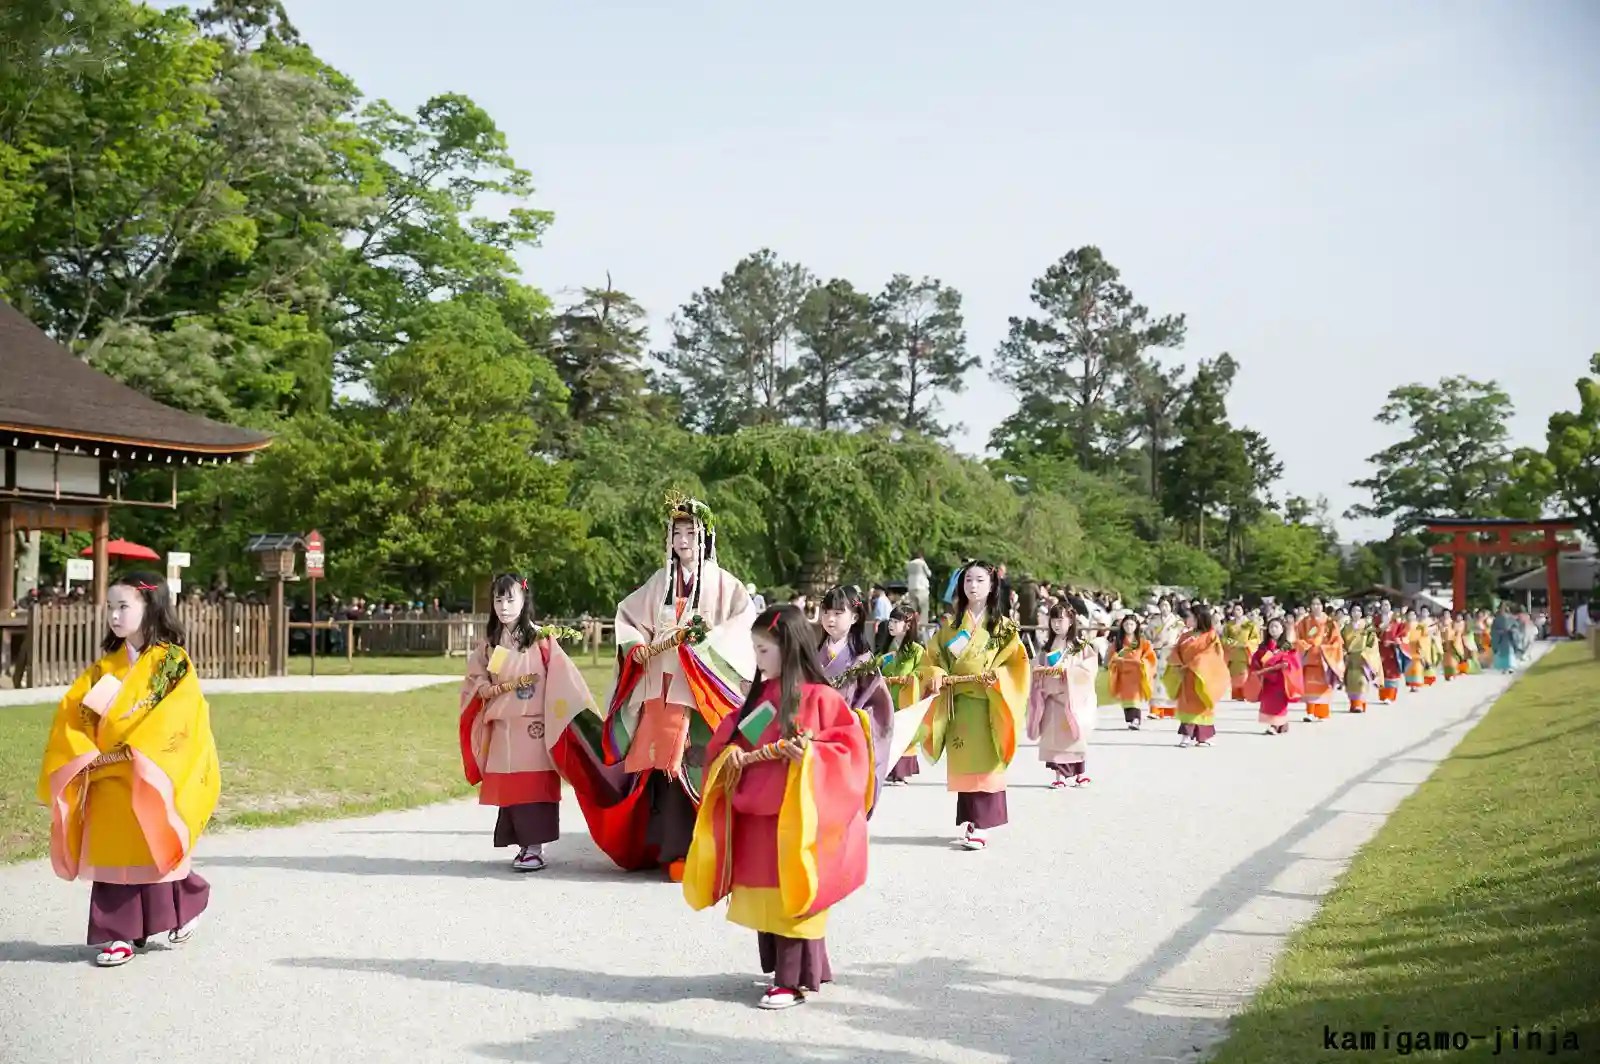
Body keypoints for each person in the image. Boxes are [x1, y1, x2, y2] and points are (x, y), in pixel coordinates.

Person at [683, 604, 871, 1010]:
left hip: (796, 817)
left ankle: (791, 981)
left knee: (794, 893)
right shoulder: (762, 700)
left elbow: (848, 748)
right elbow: (738, 740)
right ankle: (807, 968)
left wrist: (813, 756)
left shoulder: (821, 699)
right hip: (757, 817)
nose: (757, 659)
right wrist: (731, 752)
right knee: (767, 897)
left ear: (789, 648)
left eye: (764, 650)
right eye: (755, 649)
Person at [36, 571, 219, 967]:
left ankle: (186, 904)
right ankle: (117, 935)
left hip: (147, 769)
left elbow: (179, 717)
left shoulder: (172, 663)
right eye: (110, 607)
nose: (114, 616)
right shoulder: (105, 669)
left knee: (153, 843)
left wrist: (135, 753)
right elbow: (74, 716)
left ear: (150, 609)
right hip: (105, 773)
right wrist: (84, 753)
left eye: (124, 606)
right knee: (112, 852)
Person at [601, 493, 757, 882]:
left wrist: (705, 646)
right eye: (677, 533)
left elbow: (743, 623)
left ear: (705, 537)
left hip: (703, 691)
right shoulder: (659, 582)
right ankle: (671, 849)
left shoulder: (725, 585)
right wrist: (637, 645)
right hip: (662, 689)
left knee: (700, 764)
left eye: (690, 532)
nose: (683, 540)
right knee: (662, 771)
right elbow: (628, 615)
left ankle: (711, 851)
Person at [458, 573, 595, 872]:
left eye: (510, 599)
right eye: (498, 599)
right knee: (512, 788)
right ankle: (522, 845)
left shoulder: (541, 639)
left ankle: (535, 847)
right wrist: (483, 687)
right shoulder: (491, 644)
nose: (504, 606)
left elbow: (564, 677)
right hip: (505, 725)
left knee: (534, 784)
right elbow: (478, 675)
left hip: (535, 726)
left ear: (523, 600)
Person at [919, 560, 1031, 851]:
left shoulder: (1004, 628)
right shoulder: (950, 626)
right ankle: (971, 819)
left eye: (980, 580)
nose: (973, 586)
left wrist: (998, 677)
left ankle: (982, 825)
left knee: (986, 761)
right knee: (965, 762)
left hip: (989, 702)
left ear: (992, 586)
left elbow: (1017, 665)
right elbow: (931, 660)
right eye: (968, 580)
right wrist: (939, 675)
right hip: (959, 704)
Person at [815, 585, 896, 815]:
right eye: (826, 612)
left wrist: (856, 719)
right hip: (814, 734)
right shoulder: (813, 653)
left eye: (838, 613)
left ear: (855, 617)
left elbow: (878, 705)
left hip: (846, 736)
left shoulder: (863, 659)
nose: (830, 619)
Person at [1026, 604, 1098, 787]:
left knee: (1076, 738)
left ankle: (1080, 774)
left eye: (1061, 620)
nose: (1056, 624)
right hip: (1052, 700)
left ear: (1071, 621)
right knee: (1054, 739)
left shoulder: (1079, 646)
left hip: (1072, 700)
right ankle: (1059, 777)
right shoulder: (1048, 646)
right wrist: (1037, 669)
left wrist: (1068, 671)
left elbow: (1089, 668)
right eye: (1053, 620)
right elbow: (1037, 665)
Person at [1169, 603, 1231, 747]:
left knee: (1203, 704)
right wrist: (1178, 664)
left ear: (1198, 618)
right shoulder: (1184, 635)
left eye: (1190, 616)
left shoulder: (1211, 635)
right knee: (1187, 704)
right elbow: (1175, 652)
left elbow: (1214, 654)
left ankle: (1204, 736)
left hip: (1203, 676)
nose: (1187, 619)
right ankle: (1186, 735)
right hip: (1187, 675)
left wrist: (1195, 663)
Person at [876, 604, 925, 785]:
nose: (891, 624)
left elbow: (922, 672)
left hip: (904, 698)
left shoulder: (917, 650)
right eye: (891, 620)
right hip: (887, 697)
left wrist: (909, 679)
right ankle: (887, 769)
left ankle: (901, 771)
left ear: (908, 625)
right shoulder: (887, 649)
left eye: (897, 621)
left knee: (903, 732)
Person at [1248, 615, 1304, 735]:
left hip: (1281, 678)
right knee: (1269, 703)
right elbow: (1257, 658)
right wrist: (1258, 668)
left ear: (1282, 629)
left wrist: (1286, 664)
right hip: (1267, 679)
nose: (1273, 629)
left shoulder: (1287, 646)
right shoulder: (1264, 646)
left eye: (1276, 626)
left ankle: (1274, 726)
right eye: (1271, 627)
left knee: (1279, 703)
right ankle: (1280, 724)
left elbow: (1293, 660)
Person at [1295, 597, 1345, 723]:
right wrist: (1305, 646)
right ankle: (1310, 712)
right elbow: (1298, 637)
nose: (1315, 606)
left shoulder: (1329, 623)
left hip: (1324, 658)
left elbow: (1337, 641)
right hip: (1310, 656)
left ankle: (1322, 713)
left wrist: (1326, 648)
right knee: (1310, 686)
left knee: (1323, 686)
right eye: (1313, 604)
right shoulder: (1305, 622)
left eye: (1318, 604)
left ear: (1323, 606)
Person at [1107, 612, 1157, 729]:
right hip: (1123, 674)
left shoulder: (1142, 642)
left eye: (1131, 624)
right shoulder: (1118, 642)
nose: (1129, 627)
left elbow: (1150, 656)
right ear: (1123, 626)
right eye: (1126, 625)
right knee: (1126, 699)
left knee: (1135, 698)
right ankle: (1130, 719)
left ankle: (1136, 720)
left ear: (1136, 626)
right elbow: (1112, 656)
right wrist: (1117, 660)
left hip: (1137, 674)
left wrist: (1143, 662)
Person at [1342, 605, 1379, 714]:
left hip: (1363, 657)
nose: (1356, 613)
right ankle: (1354, 704)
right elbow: (1342, 642)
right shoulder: (1346, 628)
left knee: (1361, 681)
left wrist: (1367, 653)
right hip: (1350, 657)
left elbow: (1372, 642)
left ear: (1362, 613)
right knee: (1351, 681)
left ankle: (1359, 705)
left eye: (1358, 610)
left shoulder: (1367, 627)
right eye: (1353, 610)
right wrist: (1344, 652)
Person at [1222, 604, 1261, 701]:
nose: (1237, 611)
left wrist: (1247, 644)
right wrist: (1231, 642)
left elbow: (1256, 638)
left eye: (1239, 609)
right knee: (1234, 675)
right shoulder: (1229, 624)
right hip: (1233, 652)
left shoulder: (1250, 624)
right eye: (1235, 609)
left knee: (1243, 675)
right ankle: (1236, 695)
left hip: (1245, 652)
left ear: (1243, 611)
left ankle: (1245, 694)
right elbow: (1224, 638)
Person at [1490, 603, 1520, 672]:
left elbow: (1516, 627)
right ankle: (1504, 667)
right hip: (1501, 638)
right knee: (1502, 652)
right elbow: (1493, 629)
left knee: (1509, 652)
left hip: (1509, 637)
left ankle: (1510, 666)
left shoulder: (1511, 618)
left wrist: (1512, 630)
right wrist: (1499, 632)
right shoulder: (1497, 619)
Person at [905, 551, 933, 621]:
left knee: (913, 608)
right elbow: (929, 573)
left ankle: (912, 622)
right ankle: (923, 624)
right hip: (921, 587)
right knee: (924, 608)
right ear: (921, 556)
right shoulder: (922, 562)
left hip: (911, 587)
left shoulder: (909, 564)